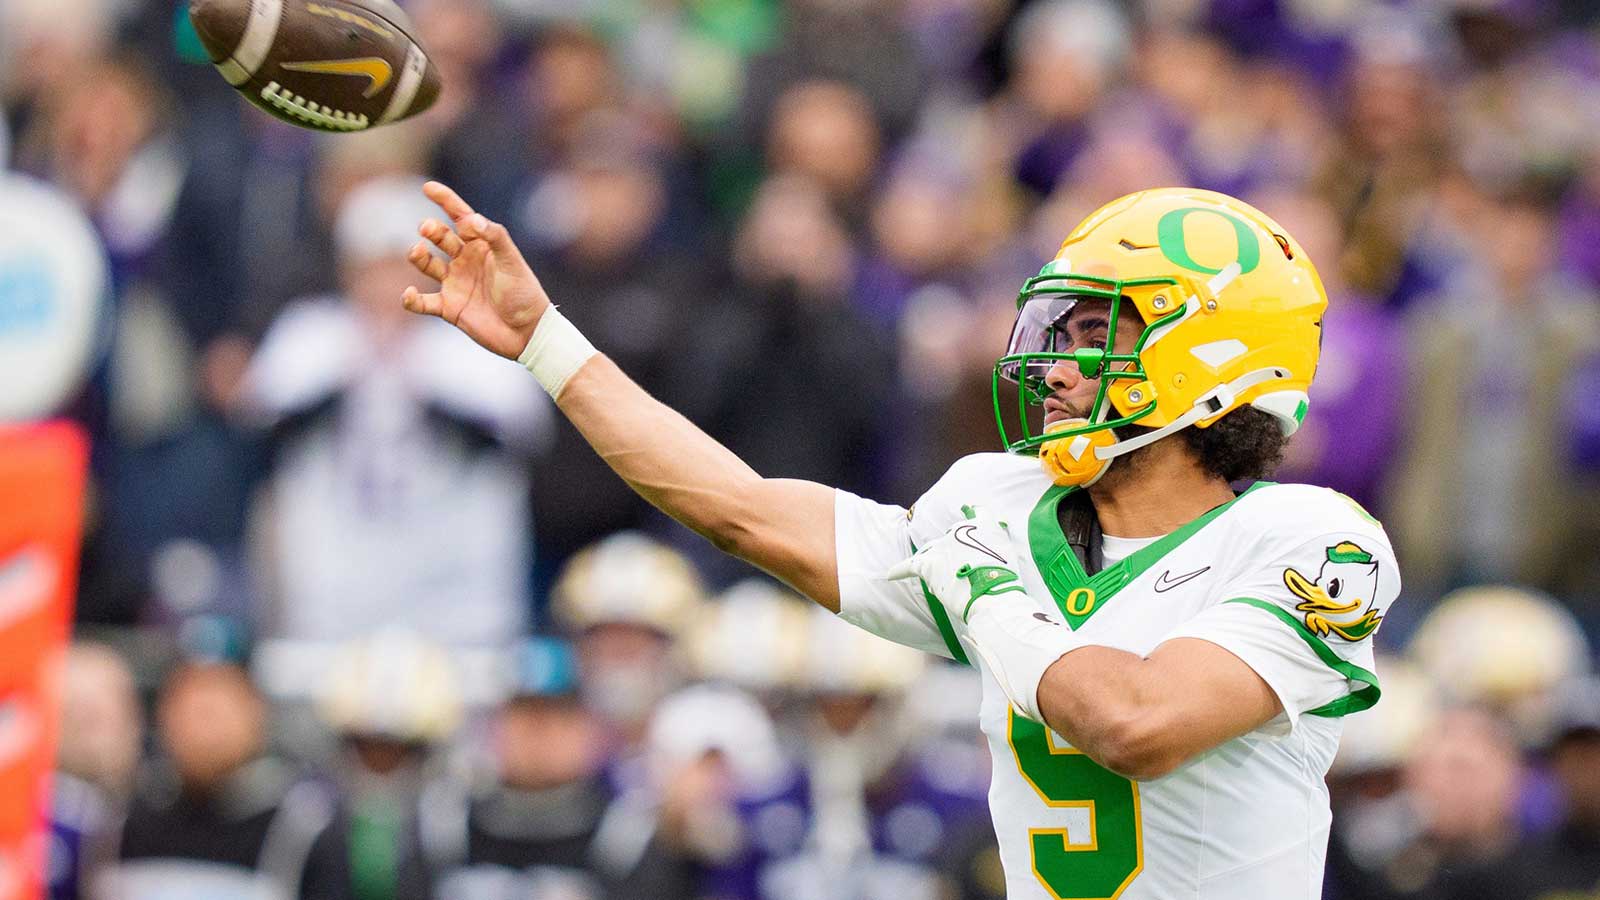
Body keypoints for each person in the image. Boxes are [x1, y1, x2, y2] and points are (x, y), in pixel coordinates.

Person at [398, 182, 1400, 898]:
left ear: (1208, 356)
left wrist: (985, 590)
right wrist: (545, 342)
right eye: (1056, 332)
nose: (1056, 365)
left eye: (1099, 332)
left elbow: (1135, 724)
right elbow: (741, 508)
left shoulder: (1311, 541)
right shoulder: (1006, 507)